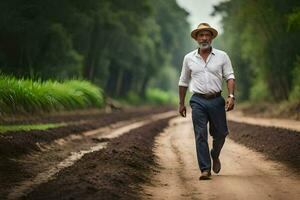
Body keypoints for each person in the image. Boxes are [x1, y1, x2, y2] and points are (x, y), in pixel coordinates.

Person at [178, 23, 235, 180]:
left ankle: (214, 154)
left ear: (211, 37)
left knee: (221, 134)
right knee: (200, 134)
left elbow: (230, 76)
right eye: (201, 35)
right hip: (198, 101)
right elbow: (183, 81)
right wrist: (181, 103)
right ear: (196, 38)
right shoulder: (188, 58)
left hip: (217, 100)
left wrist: (231, 96)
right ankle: (205, 169)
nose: (204, 38)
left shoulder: (222, 56)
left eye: (207, 35)